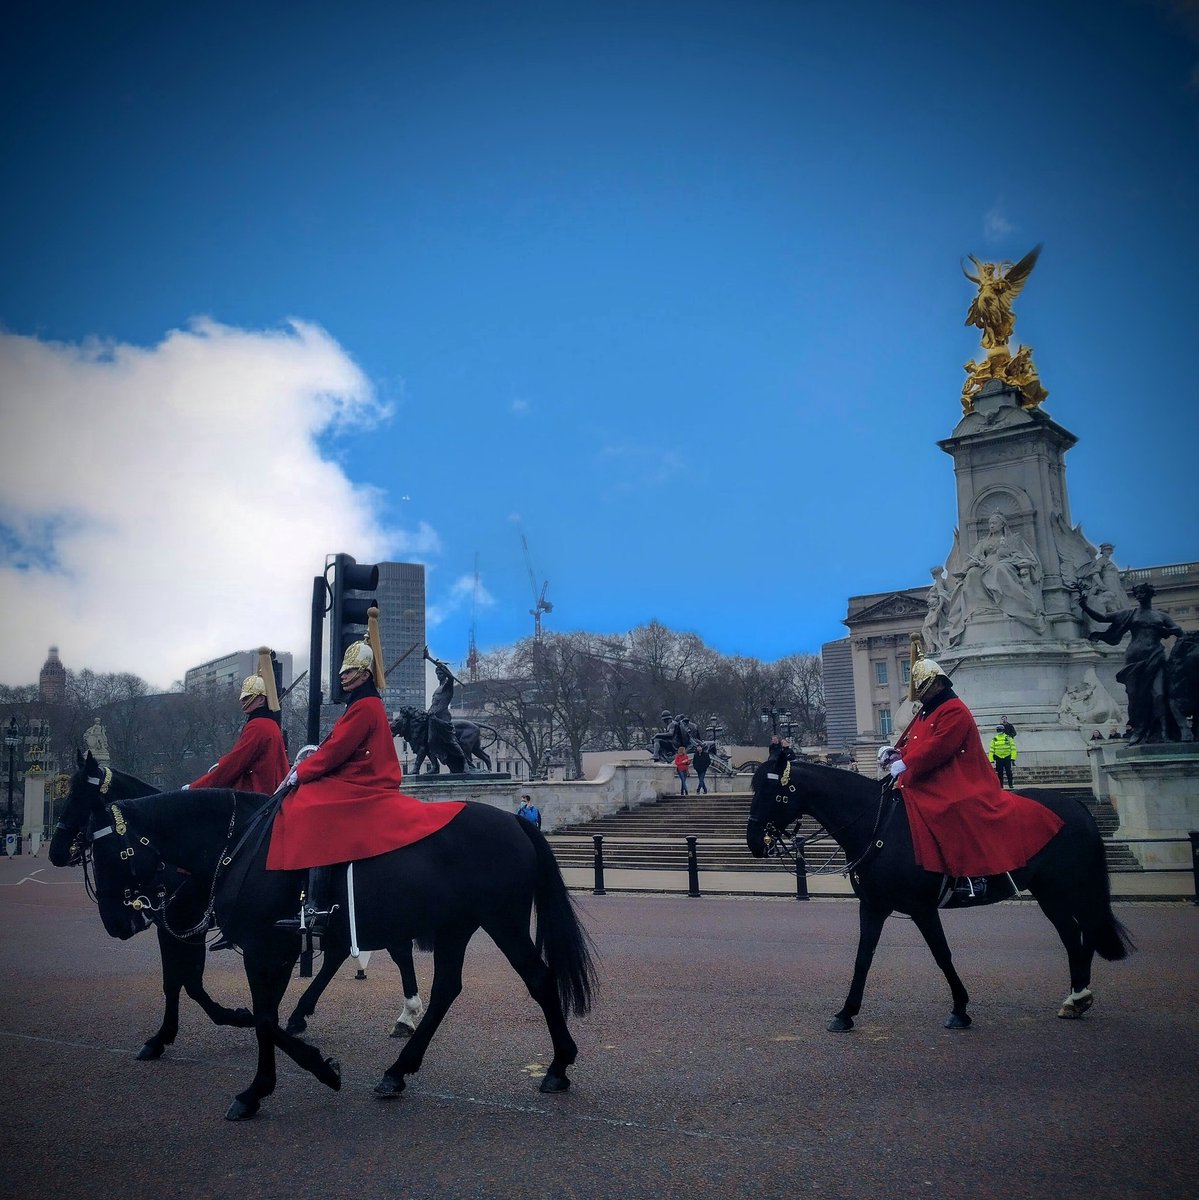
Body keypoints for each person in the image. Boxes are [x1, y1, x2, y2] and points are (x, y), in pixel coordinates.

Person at [267, 609, 465, 935]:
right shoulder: (360, 704)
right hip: (356, 773)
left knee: (311, 804)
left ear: (364, 675)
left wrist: (299, 773)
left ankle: (315, 903)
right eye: (343, 673)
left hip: (366, 779)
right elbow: (336, 748)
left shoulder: (365, 706)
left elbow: (337, 750)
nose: (344, 677)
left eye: (351, 673)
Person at [882, 658, 1064, 903]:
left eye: (923, 690)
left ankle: (973, 875)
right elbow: (918, 745)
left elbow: (940, 747)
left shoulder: (955, 710)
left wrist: (906, 763)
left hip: (962, 778)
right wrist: (897, 754)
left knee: (955, 807)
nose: (920, 697)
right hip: (931, 777)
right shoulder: (927, 712)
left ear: (937, 685)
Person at [1078, 582, 1186, 745]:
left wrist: (1169, 631)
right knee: (1135, 697)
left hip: (1156, 657)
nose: (1139, 595)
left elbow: (1179, 632)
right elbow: (1103, 618)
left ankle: (1164, 733)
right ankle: (1138, 730)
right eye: (1137, 592)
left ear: (1149, 594)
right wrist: (1084, 606)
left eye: (1143, 592)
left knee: (1159, 695)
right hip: (1134, 659)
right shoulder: (1130, 614)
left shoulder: (1161, 616)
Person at [190, 647, 289, 794]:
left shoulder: (258, 726)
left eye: (248, 698)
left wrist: (197, 787)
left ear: (261, 699)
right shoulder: (269, 724)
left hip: (256, 794)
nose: (242, 701)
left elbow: (236, 763)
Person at [424, 653, 467, 773]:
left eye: (441, 673)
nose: (439, 675)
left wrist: (442, 666)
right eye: (437, 673)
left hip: (443, 718)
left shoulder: (447, 686)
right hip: (432, 718)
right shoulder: (438, 688)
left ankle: (464, 763)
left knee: (451, 741)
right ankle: (434, 766)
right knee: (430, 742)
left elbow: (451, 678)